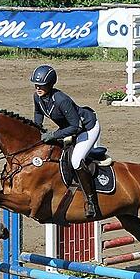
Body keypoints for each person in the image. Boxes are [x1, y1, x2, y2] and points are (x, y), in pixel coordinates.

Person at [31, 64, 101, 219]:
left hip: (87, 128)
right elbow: (38, 112)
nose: (38, 88)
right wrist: (37, 128)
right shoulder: (38, 97)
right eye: (36, 85)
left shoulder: (62, 100)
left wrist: (54, 135)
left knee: (76, 161)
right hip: (69, 128)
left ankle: (91, 201)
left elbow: (76, 127)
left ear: (50, 84)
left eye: (41, 85)